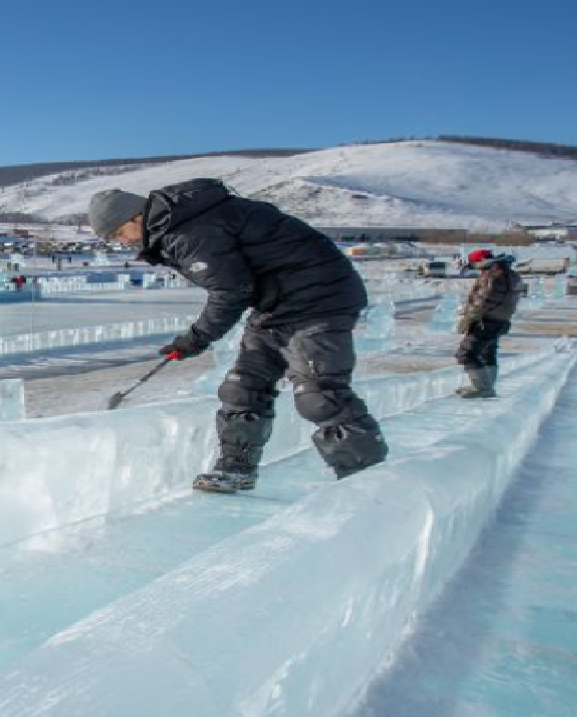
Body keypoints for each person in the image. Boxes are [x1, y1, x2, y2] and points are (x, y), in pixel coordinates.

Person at [89, 180, 387, 491]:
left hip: (319, 299)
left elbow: (230, 291)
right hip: (276, 304)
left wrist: (195, 339)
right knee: (241, 389)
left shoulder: (190, 231)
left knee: (319, 395)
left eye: (118, 233)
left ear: (135, 217)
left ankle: (367, 482)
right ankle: (235, 469)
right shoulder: (180, 224)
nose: (122, 242)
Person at [454, 248, 523, 399]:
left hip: (486, 321)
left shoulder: (493, 275)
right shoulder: (508, 273)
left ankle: (482, 388)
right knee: (487, 353)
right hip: (500, 320)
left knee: (466, 353)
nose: (474, 268)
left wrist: (468, 318)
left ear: (480, 261)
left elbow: (484, 300)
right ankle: (486, 385)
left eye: (473, 264)